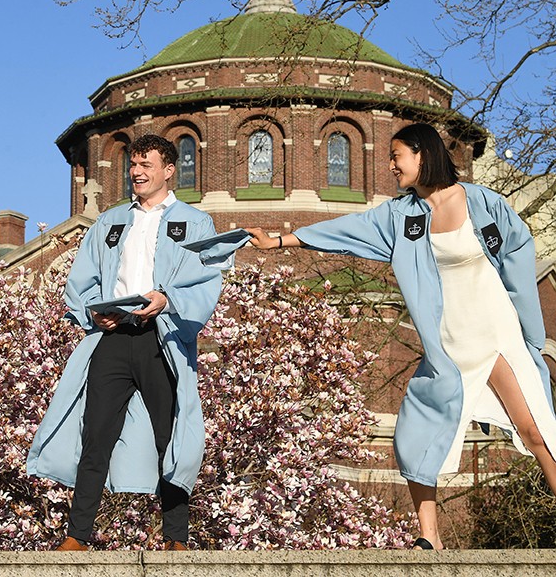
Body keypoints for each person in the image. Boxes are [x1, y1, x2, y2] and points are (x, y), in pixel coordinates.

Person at [246, 122, 556, 550]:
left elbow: (518, 248)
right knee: (414, 435)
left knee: (536, 429)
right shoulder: (400, 215)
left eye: (397, 156)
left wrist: (528, 326)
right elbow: (346, 231)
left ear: (421, 156)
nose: (390, 165)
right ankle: (429, 537)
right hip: (448, 341)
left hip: (497, 331)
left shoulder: (484, 203)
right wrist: (280, 242)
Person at [27, 134, 223, 550]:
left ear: (169, 170)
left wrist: (168, 299)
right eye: (133, 165)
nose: (136, 172)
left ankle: (176, 538)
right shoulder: (110, 222)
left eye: (146, 165)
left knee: (168, 435)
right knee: (95, 432)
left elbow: (206, 279)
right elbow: (82, 280)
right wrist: (93, 312)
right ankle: (77, 536)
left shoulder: (195, 221)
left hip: (161, 338)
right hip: (114, 337)